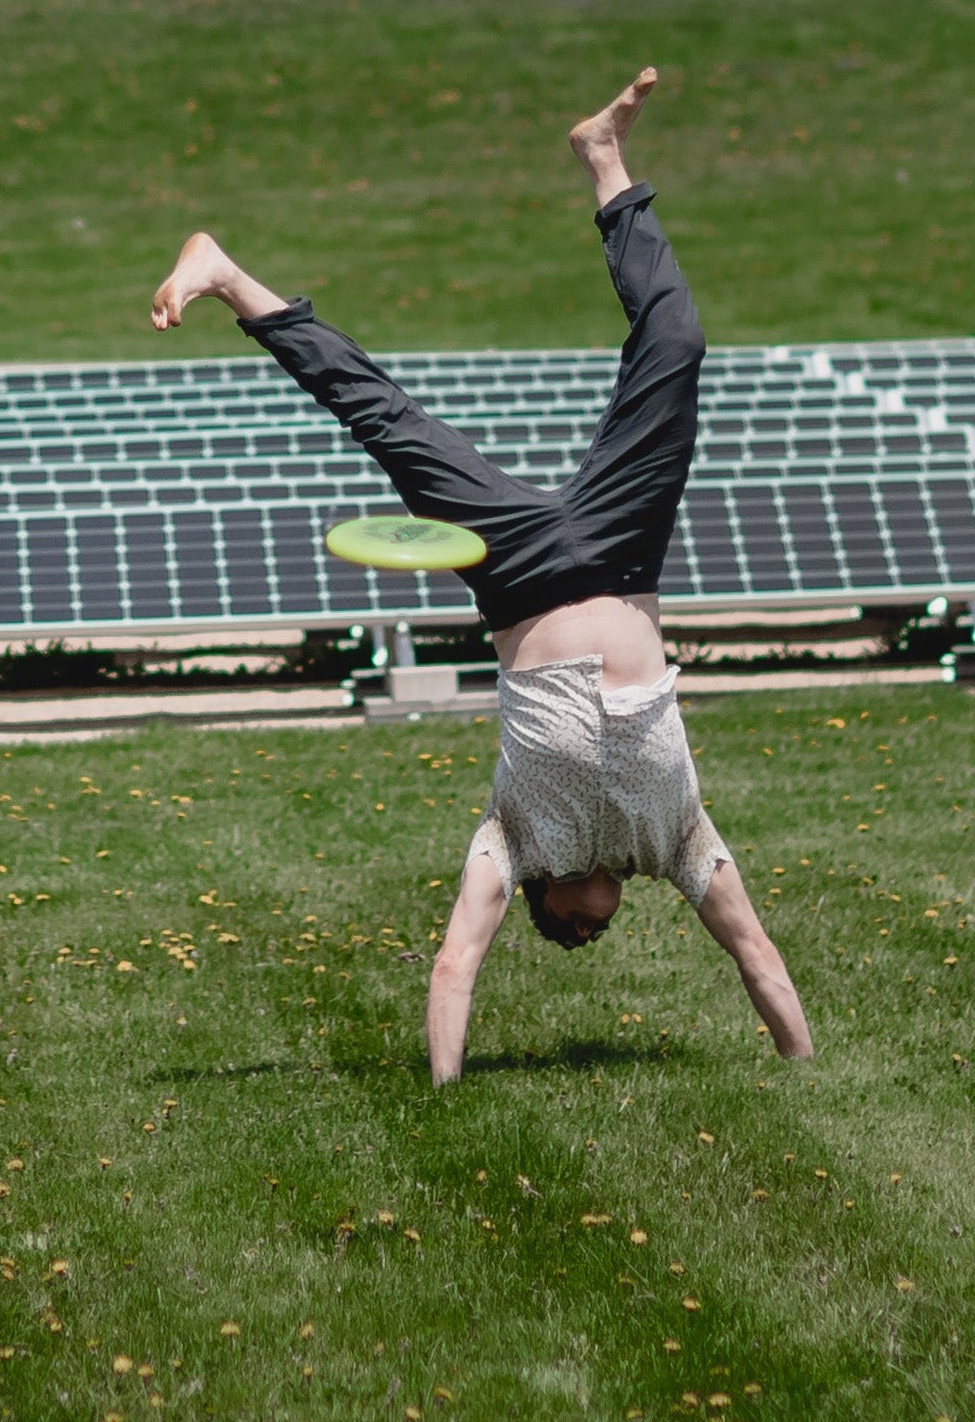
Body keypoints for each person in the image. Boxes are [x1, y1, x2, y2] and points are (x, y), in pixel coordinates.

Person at [148, 68, 814, 1079]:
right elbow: (753, 953)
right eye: (593, 936)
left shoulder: (508, 841)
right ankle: (604, 159)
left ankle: (231, 278)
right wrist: (805, 1063)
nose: (592, 931)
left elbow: (455, 964)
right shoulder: (676, 843)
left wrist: (444, 1090)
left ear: (543, 903)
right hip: (623, 554)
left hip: (517, 574)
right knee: (675, 343)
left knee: (387, 423)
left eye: (570, 936)